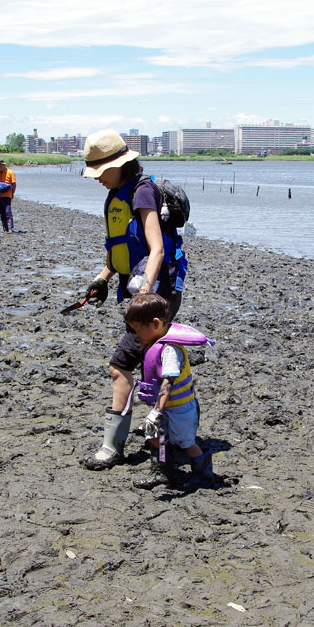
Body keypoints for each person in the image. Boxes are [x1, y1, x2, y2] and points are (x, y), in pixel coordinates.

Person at [79, 130, 189, 471]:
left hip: (157, 296)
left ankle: (112, 447)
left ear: (119, 165)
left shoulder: (142, 191)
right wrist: (102, 279)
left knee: (121, 365)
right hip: (137, 294)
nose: (97, 179)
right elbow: (119, 250)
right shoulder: (115, 195)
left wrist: (145, 294)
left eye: (100, 172)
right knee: (150, 366)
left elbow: (155, 247)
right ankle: (171, 436)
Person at [123, 293, 217, 489]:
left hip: (180, 409)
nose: (137, 336)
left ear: (155, 323)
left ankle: (203, 475)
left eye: (139, 330)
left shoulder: (169, 350)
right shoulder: (153, 341)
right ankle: (162, 472)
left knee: (186, 443)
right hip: (164, 407)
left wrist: (156, 412)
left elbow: (168, 383)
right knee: (157, 438)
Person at [0, 158, 16, 233]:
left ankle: (10, 229)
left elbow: (14, 184)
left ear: (2, 165)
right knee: (1, 212)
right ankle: (5, 228)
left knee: (7, 212)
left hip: (7, 196)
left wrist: (12, 194)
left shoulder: (10, 173)